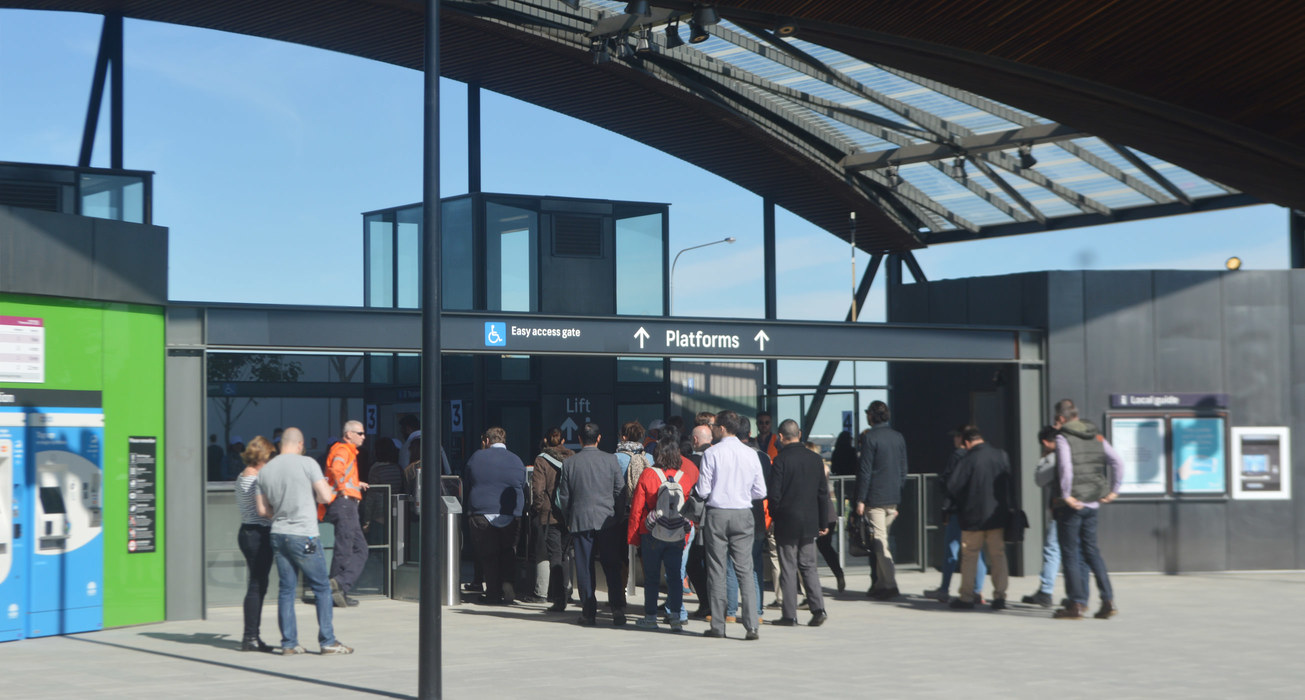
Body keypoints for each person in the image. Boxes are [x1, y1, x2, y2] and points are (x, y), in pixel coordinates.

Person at [254, 427, 352, 655]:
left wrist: (281, 513)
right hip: (304, 533)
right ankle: (327, 640)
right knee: (321, 587)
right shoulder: (307, 463)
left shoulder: (266, 471)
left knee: (286, 590)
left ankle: (289, 643)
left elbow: (262, 509)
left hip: (278, 533)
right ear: (300, 444)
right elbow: (326, 496)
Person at [697, 410, 767, 641]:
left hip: (717, 513)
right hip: (743, 513)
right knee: (745, 569)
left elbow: (704, 490)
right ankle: (751, 626)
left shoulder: (712, 453)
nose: (713, 428)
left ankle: (718, 625)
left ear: (722, 428)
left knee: (717, 569)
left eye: (715, 425)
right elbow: (761, 491)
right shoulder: (751, 454)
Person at [1051, 399, 1123, 620]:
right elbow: (1118, 462)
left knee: (1071, 553)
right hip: (1093, 502)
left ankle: (1076, 604)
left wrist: (1066, 495)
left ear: (1062, 419)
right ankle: (1107, 600)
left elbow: (1065, 467)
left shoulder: (1064, 437)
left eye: (1056, 419)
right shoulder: (1096, 436)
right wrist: (1114, 490)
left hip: (1073, 505)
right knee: (1092, 551)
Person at [557, 422, 628, 626]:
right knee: (611, 565)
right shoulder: (611, 460)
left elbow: (564, 496)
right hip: (607, 520)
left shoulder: (570, 463)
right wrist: (617, 515)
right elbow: (620, 491)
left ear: (579, 439)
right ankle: (617, 609)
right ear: (599, 438)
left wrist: (569, 517)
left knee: (585, 567)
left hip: (581, 520)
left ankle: (588, 613)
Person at [628, 434, 698, 631]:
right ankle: (675, 616)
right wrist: (685, 535)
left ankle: (650, 616)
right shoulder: (683, 478)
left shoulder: (648, 474)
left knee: (651, 577)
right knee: (675, 576)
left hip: (651, 532)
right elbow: (689, 510)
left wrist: (634, 537)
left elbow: (637, 509)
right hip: (676, 532)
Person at [767, 420, 831, 627]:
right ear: (800, 434)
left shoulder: (780, 460)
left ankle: (789, 614)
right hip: (810, 520)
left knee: (788, 567)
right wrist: (823, 521)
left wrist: (775, 516)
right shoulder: (815, 459)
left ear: (781, 437)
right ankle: (818, 608)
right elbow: (823, 493)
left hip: (787, 520)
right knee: (809, 566)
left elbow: (774, 495)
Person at [945, 426, 1012, 610]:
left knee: (969, 556)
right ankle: (1000, 597)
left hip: (972, 517)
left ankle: (966, 597)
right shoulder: (1001, 455)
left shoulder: (968, 459)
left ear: (967, 443)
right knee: (998, 555)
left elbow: (953, 486)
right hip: (996, 516)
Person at [924, 425, 988, 603]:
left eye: (956, 437)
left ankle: (944, 589)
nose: (954, 440)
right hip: (976, 510)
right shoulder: (979, 456)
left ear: (963, 439)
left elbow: (948, 483)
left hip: (957, 510)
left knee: (951, 549)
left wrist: (946, 505)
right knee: (978, 551)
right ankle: (978, 590)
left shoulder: (958, 456)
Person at [464, 426, 528, 605]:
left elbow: (467, 482)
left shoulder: (476, 457)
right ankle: (508, 582)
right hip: (510, 514)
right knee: (508, 551)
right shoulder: (516, 460)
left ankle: (492, 592)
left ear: (486, 441)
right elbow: (522, 485)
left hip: (481, 512)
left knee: (489, 555)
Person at [855, 400, 908, 600]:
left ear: (871, 416)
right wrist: (897, 491)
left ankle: (890, 585)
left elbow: (865, 471)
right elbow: (903, 470)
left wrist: (860, 499)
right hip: (892, 498)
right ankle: (880, 583)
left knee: (879, 542)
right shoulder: (898, 437)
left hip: (875, 498)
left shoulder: (871, 438)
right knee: (881, 539)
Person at [235, 435, 276, 652]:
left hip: (248, 532)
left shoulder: (243, 476)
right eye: (268, 458)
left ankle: (252, 635)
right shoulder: (255, 479)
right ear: (260, 457)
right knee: (256, 585)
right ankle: (250, 636)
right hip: (257, 533)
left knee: (257, 583)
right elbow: (264, 510)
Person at [323, 420, 369, 608]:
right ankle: (338, 586)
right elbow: (336, 468)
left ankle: (339, 588)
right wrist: (344, 489)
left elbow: (340, 472)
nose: (363, 436)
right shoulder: (343, 449)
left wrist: (356, 484)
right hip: (344, 505)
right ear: (349, 434)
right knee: (347, 549)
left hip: (345, 504)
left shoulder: (346, 451)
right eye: (360, 433)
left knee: (359, 549)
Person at [531, 427, 574, 610]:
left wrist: (538, 509)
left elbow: (538, 490)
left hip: (550, 516)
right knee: (565, 555)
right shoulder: (573, 457)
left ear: (546, 441)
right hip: (569, 515)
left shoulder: (541, 460)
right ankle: (566, 592)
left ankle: (558, 598)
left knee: (554, 555)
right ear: (563, 441)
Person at [1022, 425, 1063, 607]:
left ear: (1046, 442)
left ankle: (1046, 591)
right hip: (1082, 507)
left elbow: (1039, 479)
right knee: (1074, 551)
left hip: (1061, 508)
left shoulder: (1054, 457)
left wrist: (1042, 460)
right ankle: (1078, 595)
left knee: (1052, 549)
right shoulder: (1075, 451)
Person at [809, 441, 846, 593]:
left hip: (816, 512)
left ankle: (809, 583)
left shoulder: (812, 469)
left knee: (808, 549)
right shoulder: (824, 468)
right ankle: (838, 573)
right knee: (826, 547)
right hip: (829, 512)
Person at [685, 424, 713, 619]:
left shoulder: (691, 462)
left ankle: (705, 603)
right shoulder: (719, 457)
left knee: (693, 561)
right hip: (720, 516)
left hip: (695, 519)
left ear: (694, 440)